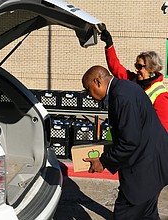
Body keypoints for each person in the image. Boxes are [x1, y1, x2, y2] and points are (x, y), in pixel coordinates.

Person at [82, 65, 168, 220]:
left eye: (89, 89)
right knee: (147, 215)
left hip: (144, 170)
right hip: (153, 164)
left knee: (124, 214)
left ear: (97, 81)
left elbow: (129, 142)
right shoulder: (123, 88)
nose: (90, 95)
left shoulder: (122, 97)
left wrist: (103, 161)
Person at [100, 29, 168, 132]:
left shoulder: (161, 95)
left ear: (151, 69)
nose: (136, 69)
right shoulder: (134, 80)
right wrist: (109, 45)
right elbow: (116, 68)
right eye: (136, 65)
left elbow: (163, 129)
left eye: (140, 67)